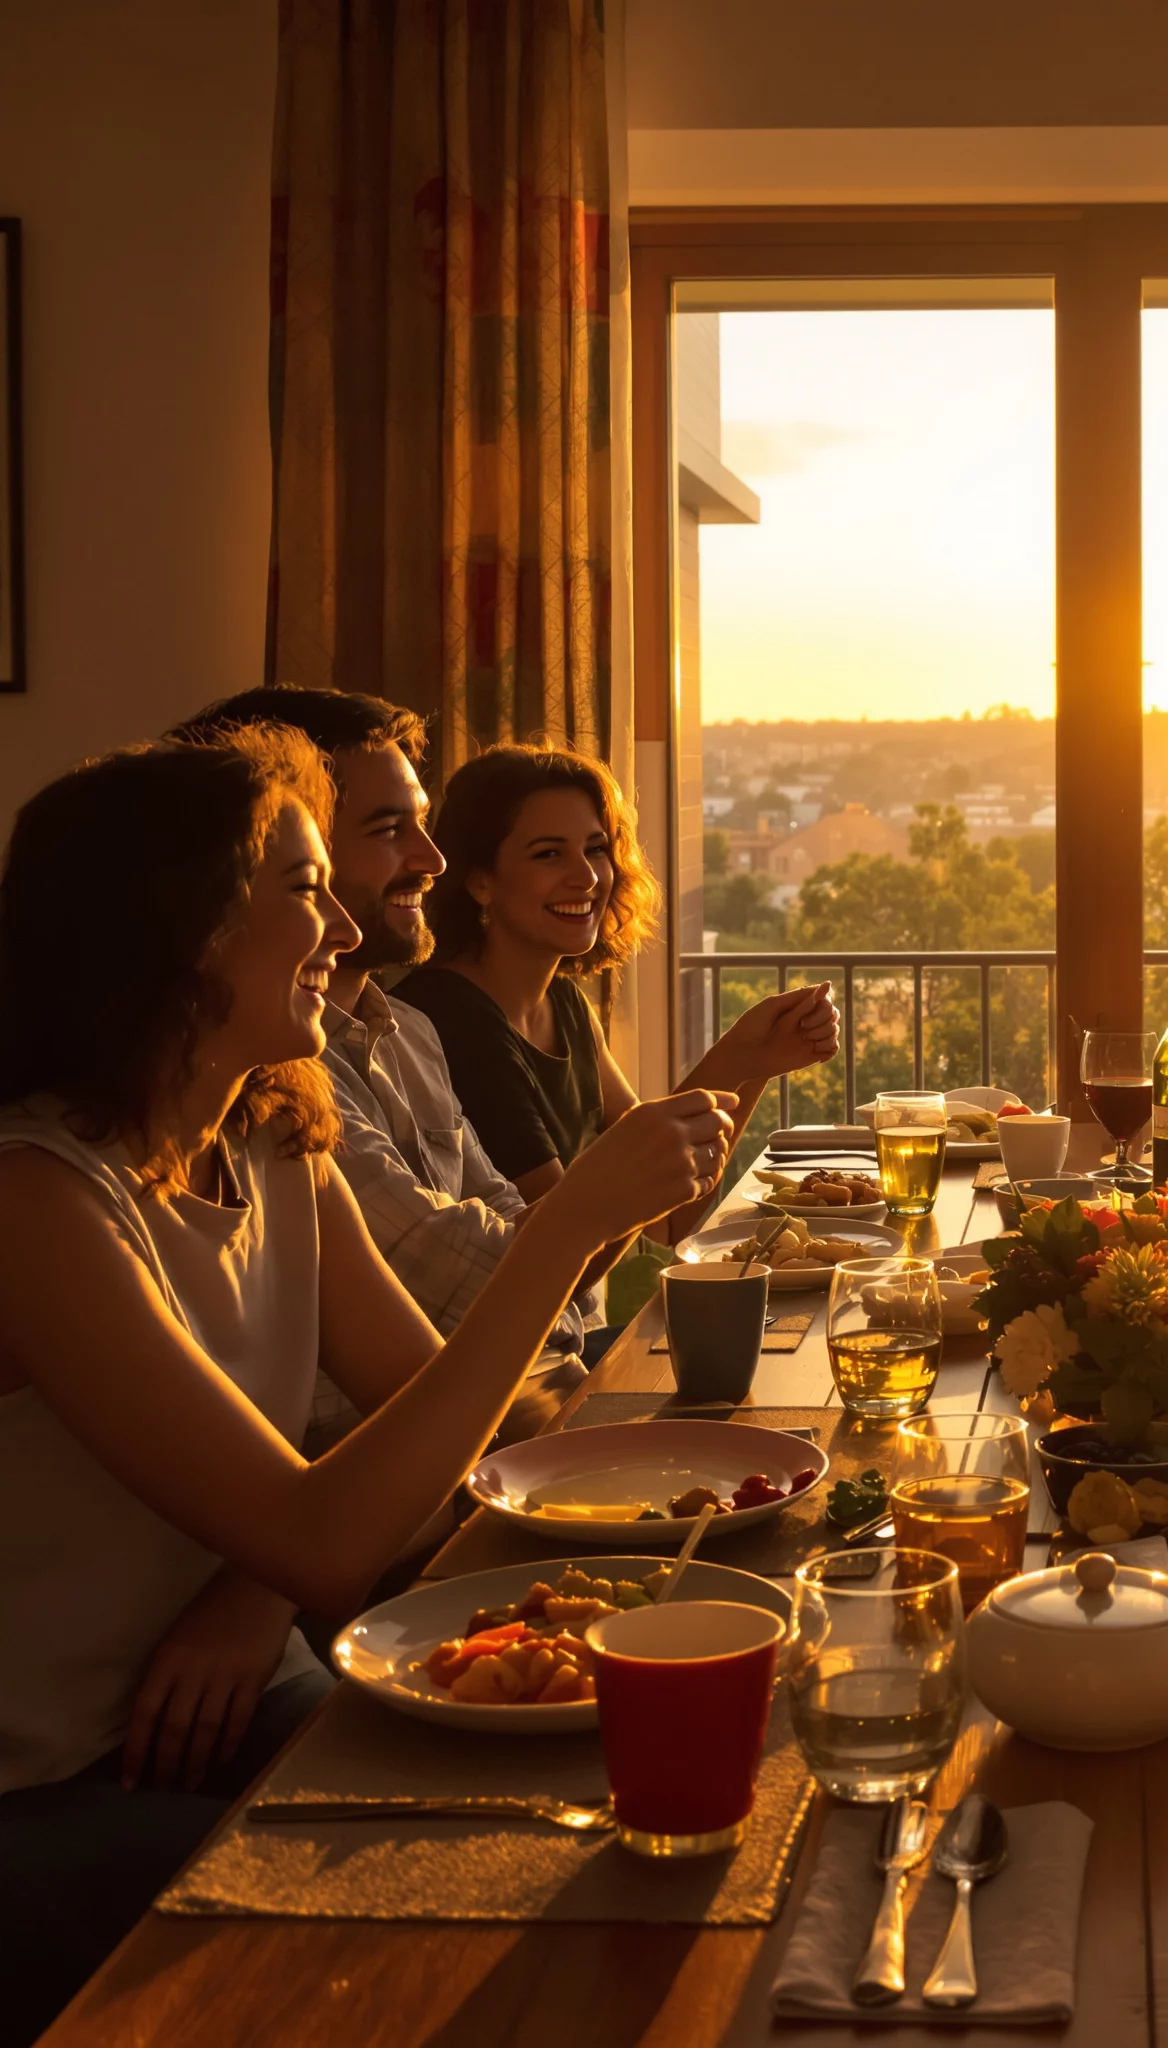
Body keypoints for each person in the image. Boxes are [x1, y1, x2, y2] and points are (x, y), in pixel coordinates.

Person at [0, 732, 732, 2039]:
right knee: (481, 1903)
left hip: (240, 1703)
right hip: (50, 1786)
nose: (344, 923)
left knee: (611, 1795)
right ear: (174, 928)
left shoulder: (276, 1134)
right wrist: (568, 1230)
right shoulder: (39, 1200)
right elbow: (330, 1543)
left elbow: (453, 1423)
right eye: (300, 888)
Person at [172, 690, 837, 1414]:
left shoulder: (408, 1035)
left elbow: (546, 1274)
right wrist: (605, 1196)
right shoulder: (415, 1034)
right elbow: (497, 1287)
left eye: (596, 849)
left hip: (540, 1386)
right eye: (388, 830)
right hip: (524, 1404)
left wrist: (745, 1065)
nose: (432, 859)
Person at [395, 742, 837, 1210]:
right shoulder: (451, 1022)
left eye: (596, 849)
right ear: (479, 881)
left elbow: (669, 1213)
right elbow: (562, 1241)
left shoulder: (564, 1004)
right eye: (549, 854)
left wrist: (753, 1065)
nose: (586, 877)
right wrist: (736, 1058)